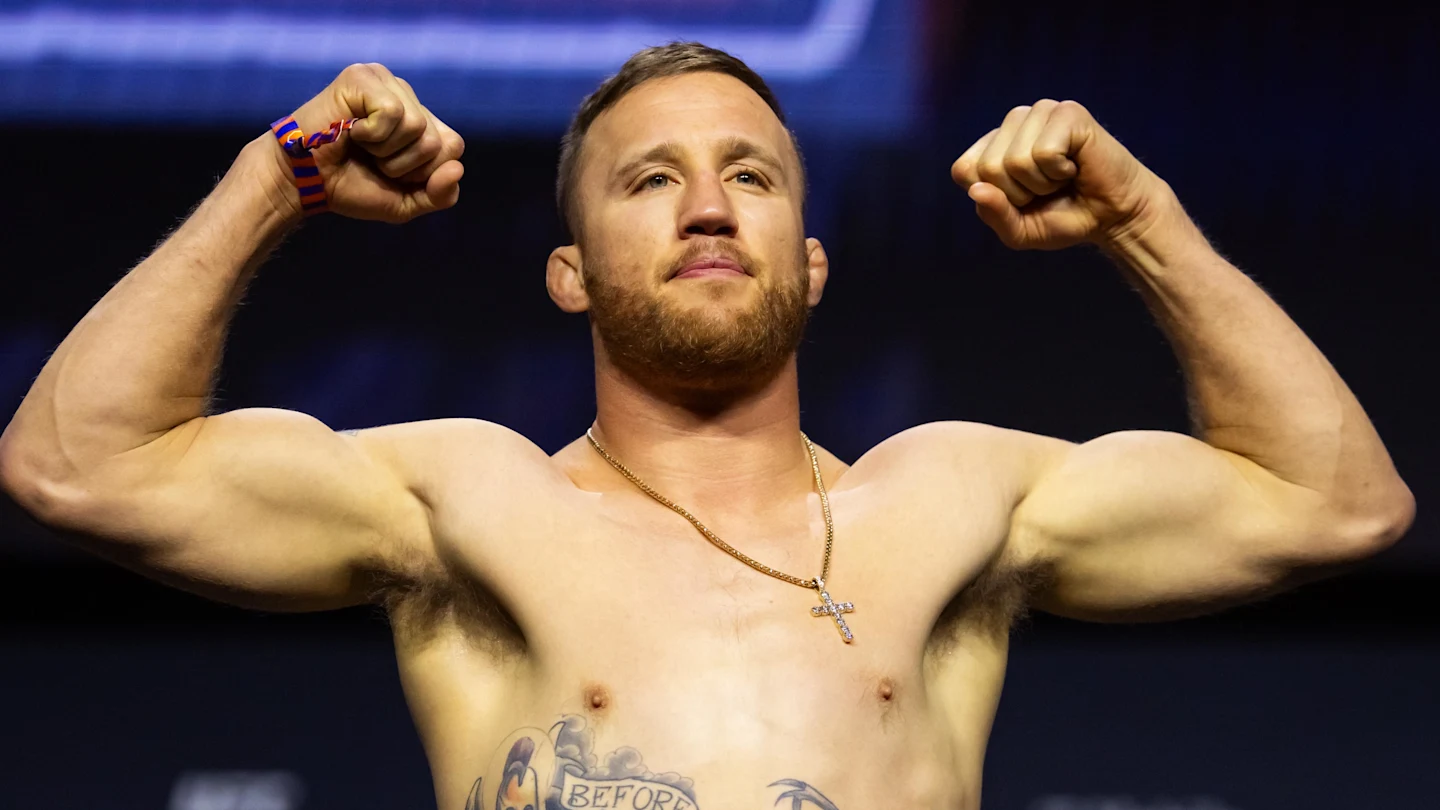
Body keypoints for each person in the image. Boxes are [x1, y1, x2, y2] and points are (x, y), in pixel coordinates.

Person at [0, 42, 1413, 810]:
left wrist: (1142, 220)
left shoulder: (949, 501)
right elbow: (76, 466)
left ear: (813, 260)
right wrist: (278, 177)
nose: (708, 208)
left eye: (752, 175)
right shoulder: (469, 501)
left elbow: (1337, 502)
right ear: (569, 273)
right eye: (650, 180)